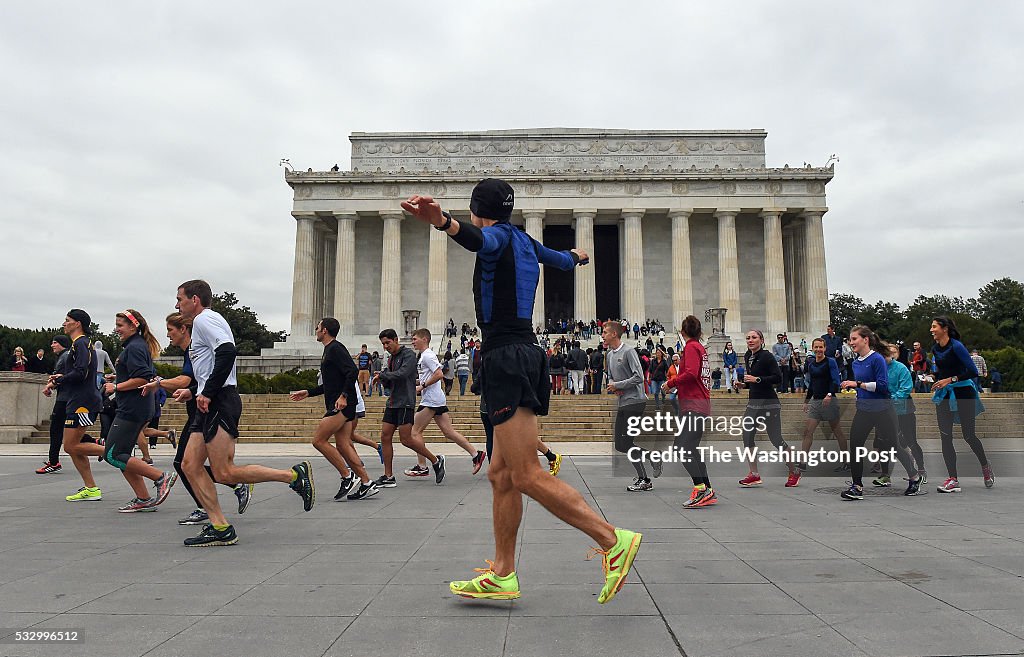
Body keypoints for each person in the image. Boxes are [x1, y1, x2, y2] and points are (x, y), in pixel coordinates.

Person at [402, 179, 640, 605]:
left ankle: (611, 539)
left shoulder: (493, 236)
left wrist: (440, 220)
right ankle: (503, 573)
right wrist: (579, 256)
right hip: (521, 354)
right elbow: (563, 260)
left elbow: (474, 237)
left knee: (526, 472)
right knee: (501, 474)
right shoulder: (526, 242)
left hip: (507, 357)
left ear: (480, 209)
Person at [176, 279, 314, 546]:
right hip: (209, 400)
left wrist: (208, 392)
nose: (177, 304)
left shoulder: (205, 319)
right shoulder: (205, 323)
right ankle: (220, 527)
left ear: (195, 299)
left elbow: (227, 352)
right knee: (189, 465)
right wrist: (195, 390)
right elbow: (211, 365)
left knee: (225, 472)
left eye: (180, 298)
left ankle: (293, 476)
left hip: (219, 401)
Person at [139, 313, 253, 526]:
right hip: (200, 411)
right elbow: (196, 382)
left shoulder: (196, 348)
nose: (167, 335)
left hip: (207, 409)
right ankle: (218, 511)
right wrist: (191, 392)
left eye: (171, 330)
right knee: (190, 465)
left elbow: (188, 379)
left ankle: (243, 486)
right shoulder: (191, 351)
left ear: (183, 329)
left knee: (199, 466)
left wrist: (160, 383)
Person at [98, 309, 179, 512]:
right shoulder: (136, 346)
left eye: (120, 325)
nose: (116, 329)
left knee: (112, 454)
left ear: (133, 326)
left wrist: (116, 387)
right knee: (121, 453)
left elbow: (143, 378)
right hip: (136, 406)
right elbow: (144, 374)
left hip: (132, 408)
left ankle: (161, 477)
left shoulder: (134, 347)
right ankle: (143, 497)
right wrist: (117, 379)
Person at [290, 318, 378, 501]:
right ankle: (367, 482)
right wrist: (309, 392)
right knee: (343, 445)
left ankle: (347, 476)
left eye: (318, 327)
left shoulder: (335, 348)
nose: (316, 329)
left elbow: (352, 371)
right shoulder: (329, 350)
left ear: (325, 331)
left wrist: (344, 396)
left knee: (318, 441)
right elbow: (330, 384)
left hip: (342, 405)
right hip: (341, 403)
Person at [837, 326, 923, 500]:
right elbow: (862, 388)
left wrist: (857, 384)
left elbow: (883, 387)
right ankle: (857, 486)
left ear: (865, 340)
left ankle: (914, 477)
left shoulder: (877, 359)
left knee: (893, 446)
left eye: (854, 339)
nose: (851, 342)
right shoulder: (855, 362)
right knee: (855, 446)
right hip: (864, 410)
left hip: (883, 410)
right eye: (850, 339)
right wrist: (858, 393)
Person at [407, 328, 485, 476]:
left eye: (415, 339)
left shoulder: (427, 356)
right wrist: (415, 382)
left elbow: (439, 374)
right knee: (448, 432)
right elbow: (431, 375)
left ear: (425, 339)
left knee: (414, 432)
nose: (412, 342)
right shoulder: (425, 356)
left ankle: (422, 466)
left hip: (431, 399)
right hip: (435, 397)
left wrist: (422, 386)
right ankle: (476, 454)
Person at [372, 328, 445, 487]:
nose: (385, 346)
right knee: (385, 436)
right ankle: (388, 476)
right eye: (383, 344)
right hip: (392, 401)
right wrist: (382, 379)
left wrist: (384, 375)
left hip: (405, 401)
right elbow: (392, 380)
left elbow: (403, 374)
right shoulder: (391, 358)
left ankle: (435, 460)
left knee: (406, 439)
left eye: (388, 343)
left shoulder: (408, 355)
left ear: (396, 340)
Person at [930, 316, 993, 492]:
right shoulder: (935, 348)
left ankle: (985, 465)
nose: (931, 330)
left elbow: (972, 371)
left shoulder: (957, 346)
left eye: (934, 326)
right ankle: (953, 479)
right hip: (944, 394)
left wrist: (950, 379)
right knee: (945, 436)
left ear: (945, 328)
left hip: (963, 392)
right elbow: (941, 371)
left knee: (969, 435)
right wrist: (933, 377)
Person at [51, 310, 106, 501]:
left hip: (83, 402)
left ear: (78, 324)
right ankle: (91, 488)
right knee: (72, 446)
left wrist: (61, 380)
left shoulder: (81, 343)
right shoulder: (80, 344)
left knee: (71, 445)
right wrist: (62, 378)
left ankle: (114, 452)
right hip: (79, 400)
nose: (64, 323)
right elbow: (80, 372)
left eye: (67, 320)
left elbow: (81, 372)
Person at [734, 329, 801, 487]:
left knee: (776, 439)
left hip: (769, 402)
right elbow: (753, 381)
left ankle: (794, 471)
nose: (750, 340)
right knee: (747, 436)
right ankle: (754, 474)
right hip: (754, 402)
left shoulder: (767, 356)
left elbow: (778, 378)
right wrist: (744, 384)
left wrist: (756, 379)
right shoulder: (748, 356)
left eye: (754, 337)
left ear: (761, 340)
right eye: (748, 338)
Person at [664, 315, 715, 508]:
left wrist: (671, 383)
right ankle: (707, 488)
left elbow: (692, 373)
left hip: (694, 405)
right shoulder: (700, 348)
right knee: (690, 448)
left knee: (682, 448)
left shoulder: (692, 348)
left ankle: (700, 488)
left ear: (682, 332)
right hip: (698, 404)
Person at [604, 321, 659, 491]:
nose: (603, 335)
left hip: (636, 400)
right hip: (623, 401)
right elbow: (611, 377)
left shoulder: (628, 351)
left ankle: (644, 479)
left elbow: (639, 377)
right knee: (621, 444)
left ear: (614, 334)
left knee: (626, 442)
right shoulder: (609, 354)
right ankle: (652, 457)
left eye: (605, 332)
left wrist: (619, 385)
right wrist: (614, 386)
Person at [874, 343, 927, 486]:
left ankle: (921, 470)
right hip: (883, 412)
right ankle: (885, 475)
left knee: (910, 440)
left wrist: (891, 400)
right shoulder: (876, 369)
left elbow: (906, 388)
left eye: (884, 355)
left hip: (904, 410)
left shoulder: (901, 368)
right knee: (884, 442)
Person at [799, 338, 849, 472]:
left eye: (821, 347)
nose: (818, 350)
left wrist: (829, 394)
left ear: (825, 348)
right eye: (816, 347)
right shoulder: (811, 364)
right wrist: (806, 401)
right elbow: (811, 384)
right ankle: (803, 462)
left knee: (837, 431)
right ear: (812, 348)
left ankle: (846, 461)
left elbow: (835, 380)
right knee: (807, 431)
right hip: (816, 401)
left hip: (829, 401)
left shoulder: (830, 362)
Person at [36, 335, 72, 474]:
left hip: (64, 399)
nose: (52, 345)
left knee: (56, 429)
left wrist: (49, 386)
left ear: (62, 343)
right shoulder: (66, 356)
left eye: (55, 342)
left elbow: (62, 377)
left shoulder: (64, 357)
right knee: (69, 431)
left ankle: (54, 462)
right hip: (69, 397)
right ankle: (98, 442)